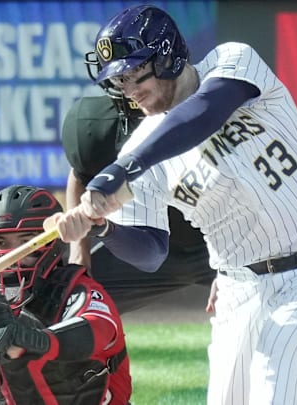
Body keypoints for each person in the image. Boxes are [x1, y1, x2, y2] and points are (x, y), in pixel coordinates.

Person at [51, 5, 297, 405]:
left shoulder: (232, 63)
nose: (129, 89)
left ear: (167, 55)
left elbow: (200, 115)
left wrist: (124, 168)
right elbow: (151, 252)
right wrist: (103, 226)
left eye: (136, 74)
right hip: (242, 293)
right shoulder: (141, 148)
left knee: (272, 378)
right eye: (119, 80)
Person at [0, 185, 131, 405]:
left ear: (52, 242)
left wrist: (26, 341)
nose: (13, 256)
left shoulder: (78, 289)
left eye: (26, 242)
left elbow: (99, 328)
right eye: (0, 243)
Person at [62, 82, 214, 314]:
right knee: (63, 304)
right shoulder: (95, 126)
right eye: (125, 76)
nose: (135, 84)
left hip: (217, 242)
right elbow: (80, 174)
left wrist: (234, 268)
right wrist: (78, 254)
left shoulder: (214, 107)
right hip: (137, 244)